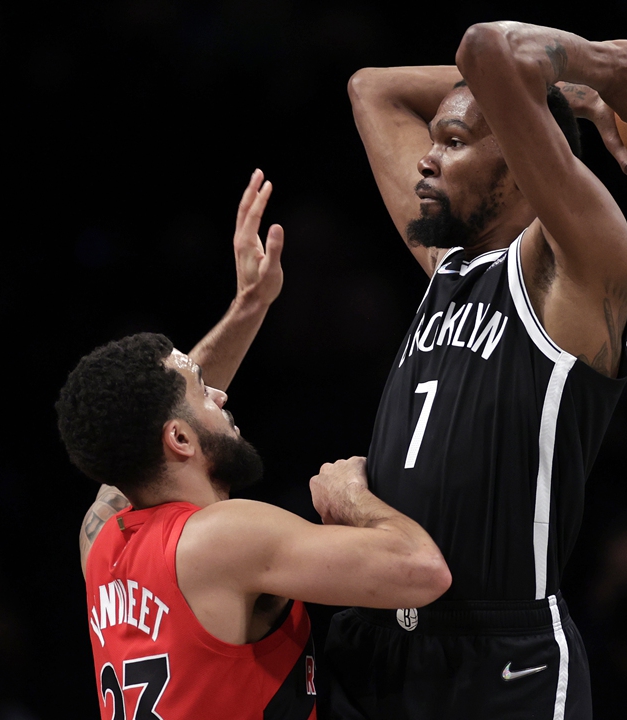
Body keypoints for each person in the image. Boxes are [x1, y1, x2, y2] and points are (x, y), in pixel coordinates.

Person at [328, 21, 627, 719]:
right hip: (378, 642)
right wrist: (573, 93)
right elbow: (371, 88)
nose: (427, 160)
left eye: (455, 142)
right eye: (434, 140)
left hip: (500, 656)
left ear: (525, 160)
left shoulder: (576, 273)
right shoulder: (450, 265)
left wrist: (607, 69)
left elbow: (487, 49)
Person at [55, 171, 451, 720]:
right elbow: (422, 572)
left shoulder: (100, 537)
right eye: (202, 394)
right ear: (178, 439)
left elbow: (139, 424)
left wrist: (250, 305)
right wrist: (348, 494)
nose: (219, 393)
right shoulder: (222, 536)